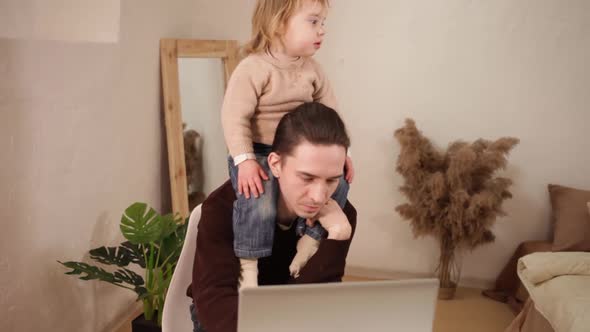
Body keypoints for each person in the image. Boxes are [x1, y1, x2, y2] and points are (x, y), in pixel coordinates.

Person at [188, 102, 357, 332]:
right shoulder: (223, 207)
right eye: (307, 178)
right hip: (230, 319)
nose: (318, 197)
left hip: (291, 316)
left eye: (331, 180)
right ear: (275, 164)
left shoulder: (338, 217)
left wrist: (338, 237)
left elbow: (313, 302)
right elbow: (216, 308)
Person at [221, 0, 355, 289]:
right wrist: (243, 161)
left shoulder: (313, 70)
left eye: (323, 23)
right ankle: (249, 266)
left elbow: (332, 116)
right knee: (258, 198)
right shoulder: (253, 68)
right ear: (279, 23)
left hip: (298, 154)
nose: (323, 30)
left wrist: (342, 155)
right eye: (314, 21)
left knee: (341, 184)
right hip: (256, 151)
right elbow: (234, 117)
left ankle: (310, 239)